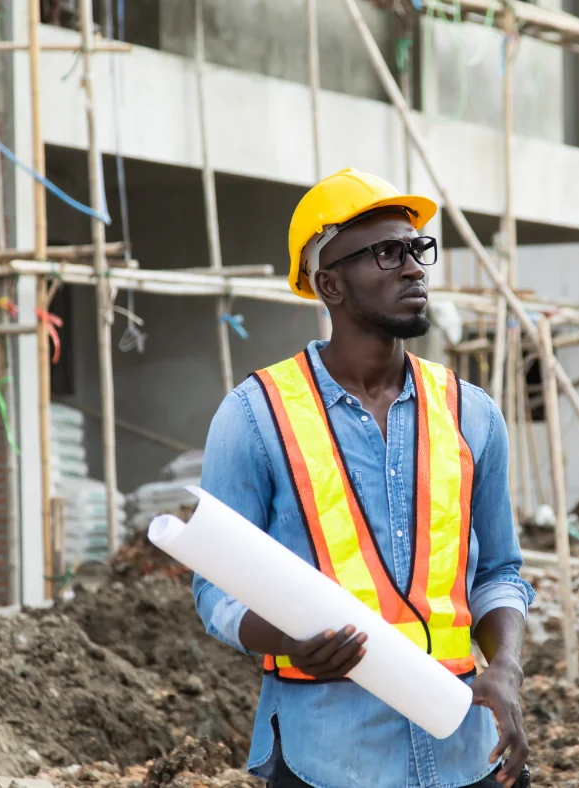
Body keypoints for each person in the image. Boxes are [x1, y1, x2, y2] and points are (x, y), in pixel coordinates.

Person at [193, 168, 535, 788]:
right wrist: (286, 639)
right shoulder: (255, 416)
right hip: (327, 756)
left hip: (464, 749)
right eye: (387, 252)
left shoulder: (472, 413)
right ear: (330, 284)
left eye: (416, 249)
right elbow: (215, 590)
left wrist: (506, 667)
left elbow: (499, 574)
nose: (413, 268)